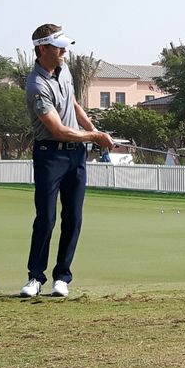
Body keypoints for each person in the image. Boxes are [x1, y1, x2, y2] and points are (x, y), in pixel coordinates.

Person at [21, 23, 115, 298]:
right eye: (58, 46)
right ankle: (35, 278)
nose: (64, 51)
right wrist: (94, 137)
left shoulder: (65, 72)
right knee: (46, 219)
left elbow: (74, 105)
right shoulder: (36, 85)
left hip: (76, 155)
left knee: (73, 217)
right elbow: (58, 130)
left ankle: (62, 277)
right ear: (42, 49)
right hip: (50, 155)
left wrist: (94, 129)